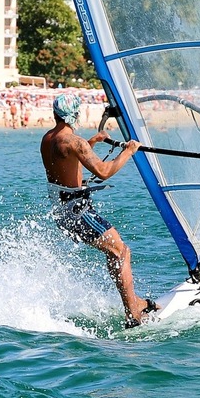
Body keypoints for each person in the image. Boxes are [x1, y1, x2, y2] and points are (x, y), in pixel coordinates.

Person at [40, 92, 157, 328]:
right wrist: (128, 151)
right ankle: (133, 314)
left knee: (115, 251)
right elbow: (103, 171)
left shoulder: (48, 139)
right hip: (77, 211)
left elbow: (66, 162)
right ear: (75, 115)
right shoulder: (74, 142)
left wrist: (92, 143)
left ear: (54, 114)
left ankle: (134, 302)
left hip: (62, 211)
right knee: (121, 252)